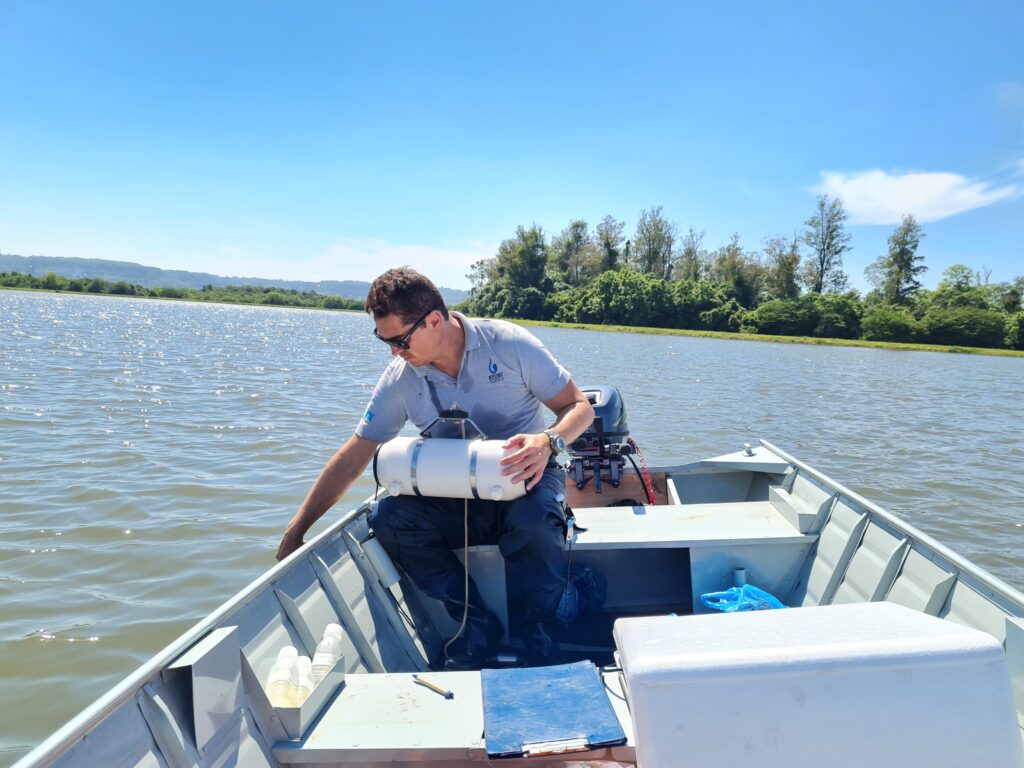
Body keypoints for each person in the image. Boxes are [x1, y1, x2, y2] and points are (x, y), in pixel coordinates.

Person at [277, 267, 594, 668]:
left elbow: (579, 407)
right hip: (453, 489)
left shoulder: (510, 345)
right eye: (384, 340)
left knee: (535, 525)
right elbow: (357, 454)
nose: (394, 351)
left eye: (399, 340)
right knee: (389, 518)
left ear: (434, 320)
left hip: (527, 475)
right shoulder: (400, 378)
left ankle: (538, 632)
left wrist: (548, 441)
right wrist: (296, 531)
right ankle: (475, 622)